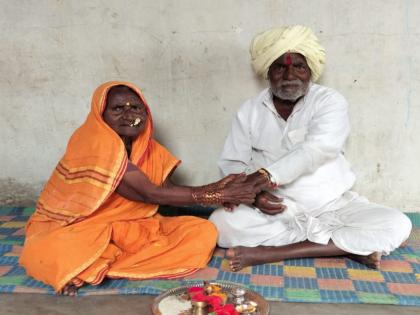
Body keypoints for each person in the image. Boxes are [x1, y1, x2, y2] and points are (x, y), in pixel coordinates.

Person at [19, 81, 265, 295]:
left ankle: (100, 262)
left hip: (129, 225)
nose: (129, 115)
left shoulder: (148, 148)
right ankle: (88, 262)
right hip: (77, 226)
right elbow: (150, 193)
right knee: (50, 249)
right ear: (100, 115)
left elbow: (166, 192)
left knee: (202, 231)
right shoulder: (95, 143)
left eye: (135, 108)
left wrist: (217, 189)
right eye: (117, 109)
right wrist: (217, 194)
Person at [209, 25, 412, 272]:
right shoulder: (249, 110)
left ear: (310, 72)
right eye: (280, 67)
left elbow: (319, 147)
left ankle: (269, 253)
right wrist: (256, 197)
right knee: (219, 225)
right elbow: (232, 163)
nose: (289, 75)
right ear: (267, 73)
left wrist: (265, 176)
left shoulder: (329, 102)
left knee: (397, 224)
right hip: (277, 209)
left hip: (334, 206)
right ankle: (346, 247)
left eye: (299, 67)